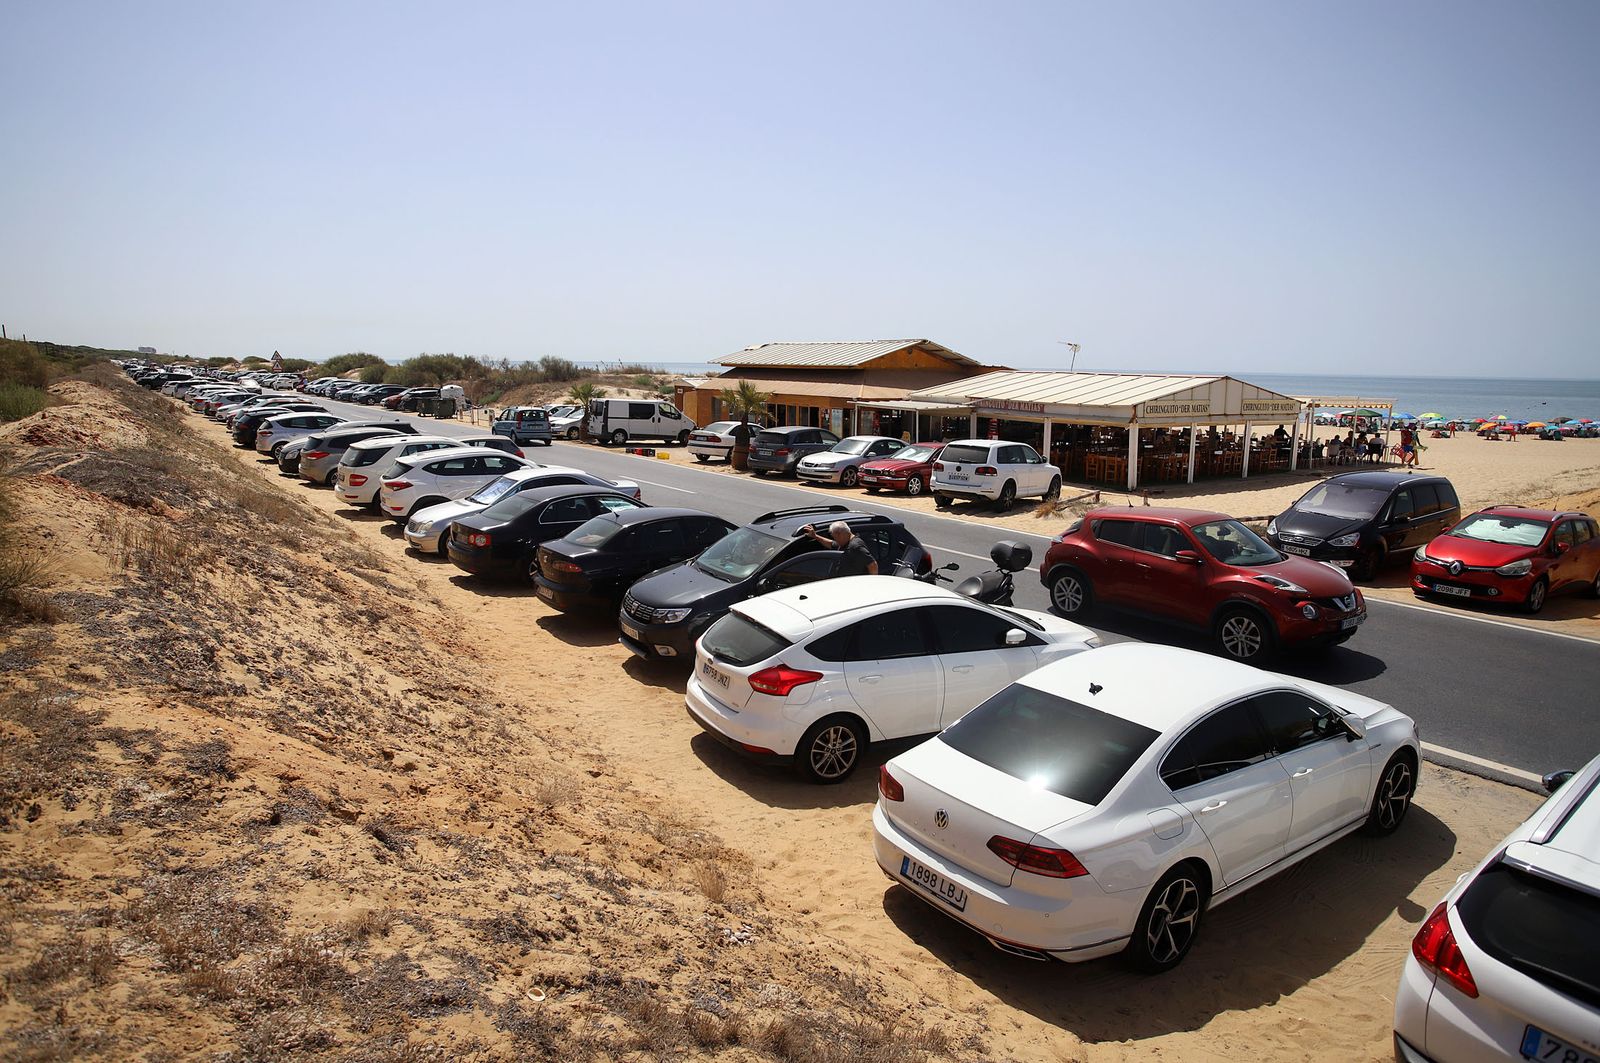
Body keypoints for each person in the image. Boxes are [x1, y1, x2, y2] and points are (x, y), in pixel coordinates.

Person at [801, 520, 878, 576]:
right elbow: (831, 544)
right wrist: (815, 536)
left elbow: (872, 565)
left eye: (835, 537)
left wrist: (871, 584)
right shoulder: (845, 543)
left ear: (839, 534)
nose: (835, 540)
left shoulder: (855, 546)